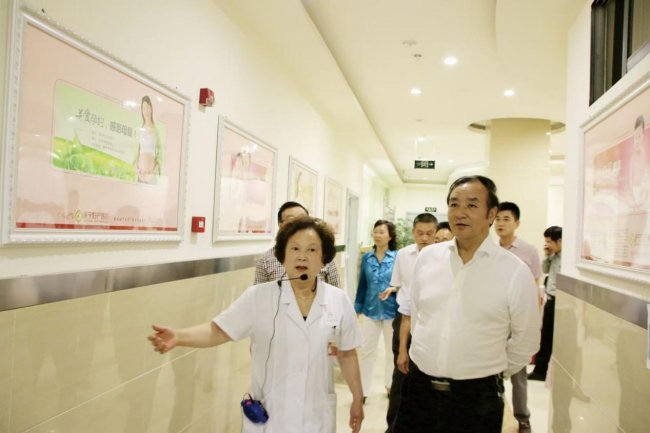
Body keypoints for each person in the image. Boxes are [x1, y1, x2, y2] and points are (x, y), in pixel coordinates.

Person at [148, 216, 364, 433]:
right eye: (294, 248)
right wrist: (179, 336)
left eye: (312, 250)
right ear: (283, 255)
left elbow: (347, 353)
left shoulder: (338, 300)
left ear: (324, 258)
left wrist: (357, 397)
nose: (302, 256)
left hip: (317, 417)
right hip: (272, 417)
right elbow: (218, 330)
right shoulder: (259, 297)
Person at [393, 175, 540, 433]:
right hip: (419, 389)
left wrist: (490, 369)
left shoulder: (514, 271)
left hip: (477, 399)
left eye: (471, 205)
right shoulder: (427, 258)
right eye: (454, 204)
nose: (460, 213)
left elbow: (526, 340)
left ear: (491, 214)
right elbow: (418, 316)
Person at [382, 213, 438, 432]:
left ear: (435, 233)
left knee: (426, 374)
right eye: (420, 233)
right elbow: (399, 285)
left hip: (431, 322)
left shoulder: (443, 256)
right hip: (404, 319)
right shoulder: (404, 255)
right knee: (401, 372)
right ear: (413, 232)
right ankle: (393, 426)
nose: (424, 238)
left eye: (429, 233)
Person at [494, 201, 543, 433]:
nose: (500, 223)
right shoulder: (490, 250)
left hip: (517, 318)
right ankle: (497, 412)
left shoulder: (529, 251)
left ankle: (522, 417)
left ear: (517, 223)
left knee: (518, 373)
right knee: (494, 369)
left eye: (506, 219)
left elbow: (534, 284)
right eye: (498, 219)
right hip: (496, 318)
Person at [354, 219, 398, 401]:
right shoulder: (367, 258)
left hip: (392, 310)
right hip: (370, 310)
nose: (378, 235)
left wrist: (393, 289)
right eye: (376, 231)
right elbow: (362, 285)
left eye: (382, 232)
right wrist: (357, 308)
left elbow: (404, 283)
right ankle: (363, 391)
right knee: (366, 350)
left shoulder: (397, 257)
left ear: (390, 236)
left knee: (391, 351)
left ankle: (390, 386)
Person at [254, 201, 340, 286]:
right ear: (280, 225)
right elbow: (259, 292)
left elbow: (336, 290)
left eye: (302, 219)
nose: (297, 225)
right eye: (291, 220)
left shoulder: (323, 255)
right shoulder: (265, 260)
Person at [528, 226, 562, 382]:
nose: (547, 245)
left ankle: (545, 372)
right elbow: (544, 270)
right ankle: (541, 371)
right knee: (546, 337)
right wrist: (547, 256)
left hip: (560, 303)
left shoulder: (566, 260)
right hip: (551, 300)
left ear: (559, 241)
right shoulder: (554, 257)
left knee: (552, 338)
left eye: (549, 242)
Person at [136, 95, 162, 183]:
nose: (146, 111)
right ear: (141, 111)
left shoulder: (156, 130)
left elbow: (160, 156)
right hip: (140, 176)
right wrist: (137, 171)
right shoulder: (140, 128)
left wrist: (153, 173)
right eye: (144, 108)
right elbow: (135, 153)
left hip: (151, 177)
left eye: (148, 107)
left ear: (151, 109)